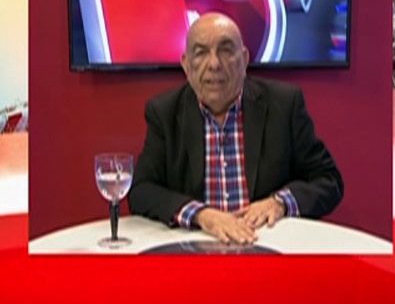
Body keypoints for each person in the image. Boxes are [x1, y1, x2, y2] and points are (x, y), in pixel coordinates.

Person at [129, 13, 343, 245]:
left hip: (267, 244)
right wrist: (202, 215)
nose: (214, 64)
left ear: (244, 59)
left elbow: (328, 180)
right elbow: (141, 191)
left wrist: (279, 202)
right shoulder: (165, 112)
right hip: (196, 248)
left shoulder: (283, 104)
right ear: (186, 65)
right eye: (201, 53)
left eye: (225, 50)